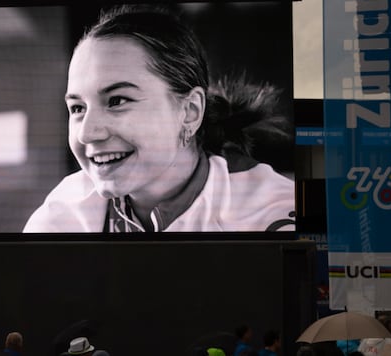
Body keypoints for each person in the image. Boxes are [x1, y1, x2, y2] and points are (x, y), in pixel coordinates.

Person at [23, 4, 296, 233]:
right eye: (78, 108)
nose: (87, 133)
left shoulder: (273, 217)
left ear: (190, 112)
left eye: (117, 101)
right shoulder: (62, 218)